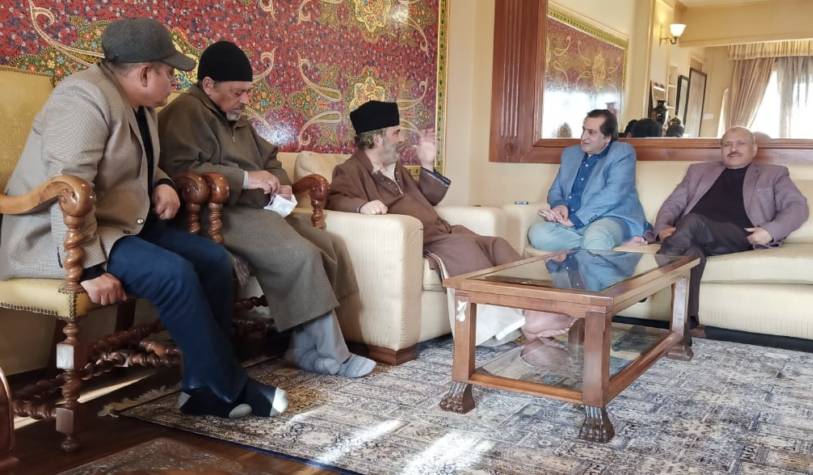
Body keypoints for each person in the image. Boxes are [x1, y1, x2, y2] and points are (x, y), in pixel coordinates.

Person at [0, 19, 285, 418]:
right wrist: (88, 267)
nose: (173, 82)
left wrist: (163, 182)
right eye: (169, 72)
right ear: (144, 72)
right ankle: (227, 386)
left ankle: (200, 387)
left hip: (117, 225)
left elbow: (143, 164)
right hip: (57, 235)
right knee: (173, 273)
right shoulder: (82, 99)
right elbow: (67, 188)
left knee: (214, 261)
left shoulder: (141, 104)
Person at [158, 41, 374, 378]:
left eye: (248, 91)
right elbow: (180, 169)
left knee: (330, 246)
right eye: (238, 92)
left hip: (255, 211)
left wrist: (280, 182)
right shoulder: (185, 112)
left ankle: (302, 349)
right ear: (209, 85)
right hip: (215, 215)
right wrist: (246, 179)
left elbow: (270, 159)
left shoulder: (235, 117)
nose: (246, 100)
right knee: (299, 255)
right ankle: (333, 355)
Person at [327, 100, 531, 345]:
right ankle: (501, 328)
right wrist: (362, 206)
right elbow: (335, 199)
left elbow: (428, 199)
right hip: (423, 240)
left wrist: (427, 164)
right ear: (378, 139)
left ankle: (537, 309)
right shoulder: (350, 170)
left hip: (443, 232)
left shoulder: (395, 167)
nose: (402, 139)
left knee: (497, 245)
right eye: (396, 133)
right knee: (464, 249)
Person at [654, 126, 809, 326]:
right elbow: (672, 204)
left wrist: (770, 231)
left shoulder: (773, 174)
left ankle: (650, 283)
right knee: (691, 254)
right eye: (727, 144)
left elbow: (797, 207)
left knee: (692, 221)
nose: (733, 149)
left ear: (754, 148)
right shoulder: (697, 171)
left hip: (737, 235)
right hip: (691, 235)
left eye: (740, 143)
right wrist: (661, 228)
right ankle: (684, 326)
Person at [528, 109, 650, 252]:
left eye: (591, 132)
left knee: (595, 235)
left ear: (607, 137)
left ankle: (598, 243)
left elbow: (613, 194)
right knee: (538, 233)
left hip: (610, 219)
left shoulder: (622, 152)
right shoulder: (570, 154)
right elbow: (556, 190)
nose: (584, 137)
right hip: (573, 222)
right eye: (583, 130)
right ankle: (610, 246)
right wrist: (560, 205)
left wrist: (575, 220)